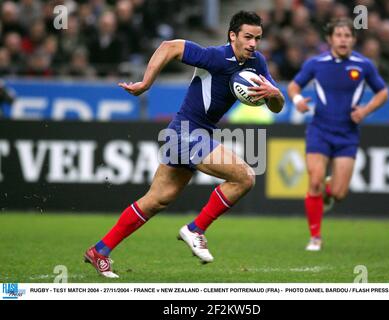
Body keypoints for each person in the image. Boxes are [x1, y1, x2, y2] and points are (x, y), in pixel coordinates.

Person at [84, 11, 285, 278]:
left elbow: (276, 107)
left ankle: (100, 250)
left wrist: (276, 94)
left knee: (157, 199)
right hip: (186, 132)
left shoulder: (257, 63)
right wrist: (146, 83)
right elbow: (169, 47)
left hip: (189, 133)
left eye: (257, 38)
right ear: (233, 35)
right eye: (248, 37)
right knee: (245, 177)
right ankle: (195, 229)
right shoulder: (215, 56)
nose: (253, 44)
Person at [287, 18, 389, 252]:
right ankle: (315, 238)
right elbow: (294, 86)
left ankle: (328, 190)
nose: (343, 39)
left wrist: (365, 110)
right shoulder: (316, 63)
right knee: (314, 182)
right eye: (339, 35)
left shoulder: (364, 65)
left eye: (347, 35)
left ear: (353, 39)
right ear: (330, 39)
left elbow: (383, 93)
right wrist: (298, 100)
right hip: (319, 129)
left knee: (340, 194)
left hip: (347, 134)